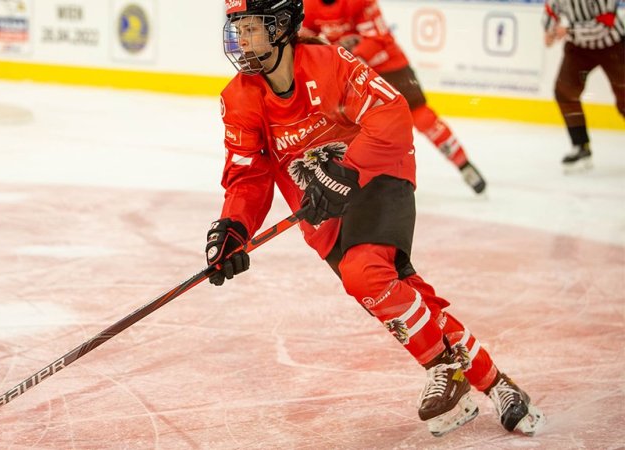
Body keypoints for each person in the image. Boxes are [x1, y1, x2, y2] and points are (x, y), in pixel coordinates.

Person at [208, 0, 544, 437]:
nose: (242, 40)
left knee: (364, 274)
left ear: (283, 26)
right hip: (323, 213)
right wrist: (234, 228)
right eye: (237, 29)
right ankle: (497, 385)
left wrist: (347, 167)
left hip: (378, 174)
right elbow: (248, 176)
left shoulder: (328, 63)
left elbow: (391, 112)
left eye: (251, 27)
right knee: (404, 294)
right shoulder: (239, 99)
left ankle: (446, 369)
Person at [297, 0, 486, 194]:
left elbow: (378, 39)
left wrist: (346, 60)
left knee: (422, 116)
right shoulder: (311, 5)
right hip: (352, 72)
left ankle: (463, 164)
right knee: (350, 126)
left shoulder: (359, 2)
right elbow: (307, 38)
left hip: (389, 67)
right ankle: (363, 176)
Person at [544, 0, 624, 170]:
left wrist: (570, 30)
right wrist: (549, 30)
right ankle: (581, 146)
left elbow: (605, 24)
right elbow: (552, 9)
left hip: (613, 46)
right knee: (565, 92)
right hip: (579, 48)